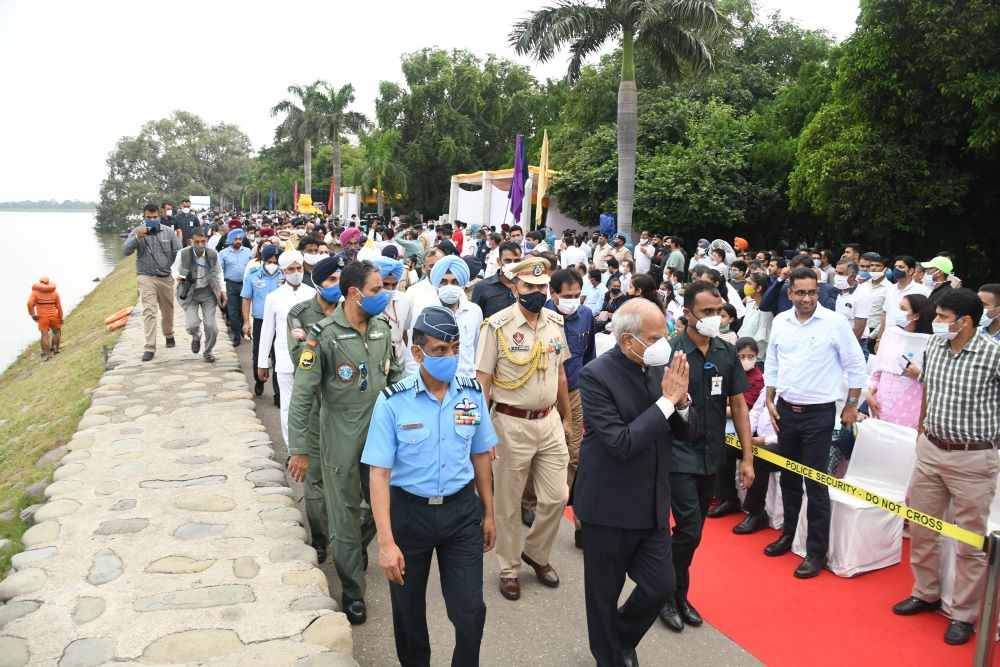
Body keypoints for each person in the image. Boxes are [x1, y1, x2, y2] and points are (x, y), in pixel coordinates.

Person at [363, 306, 497, 667]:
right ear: (417, 352)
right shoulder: (393, 402)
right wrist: (386, 542)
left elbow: (482, 454)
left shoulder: (471, 395)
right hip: (409, 516)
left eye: (454, 348)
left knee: (470, 611)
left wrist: (489, 514)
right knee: (408, 614)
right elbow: (379, 474)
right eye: (440, 350)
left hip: (461, 514)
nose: (450, 357)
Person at [575, 299, 696, 667]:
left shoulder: (655, 368)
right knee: (603, 596)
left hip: (652, 504)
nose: (666, 343)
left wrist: (683, 401)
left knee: (660, 586)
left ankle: (622, 638)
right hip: (608, 507)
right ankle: (609, 657)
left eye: (667, 334)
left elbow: (687, 433)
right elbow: (621, 443)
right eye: (656, 337)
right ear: (628, 341)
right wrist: (667, 401)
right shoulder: (596, 376)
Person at [286, 259, 402, 625]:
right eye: (376, 290)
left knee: (386, 507)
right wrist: (299, 449)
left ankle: (355, 548)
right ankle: (353, 591)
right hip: (340, 437)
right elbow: (303, 396)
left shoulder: (382, 328)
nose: (383, 296)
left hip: (381, 436)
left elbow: (396, 381)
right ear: (354, 293)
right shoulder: (322, 336)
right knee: (346, 514)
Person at [892, 289, 1000, 646]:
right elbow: (930, 392)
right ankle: (926, 592)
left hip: (973, 459)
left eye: (941, 317)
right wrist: (923, 431)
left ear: (964, 322)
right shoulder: (935, 348)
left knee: (969, 543)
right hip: (930, 452)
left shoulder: (993, 355)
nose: (935, 322)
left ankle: (965, 615)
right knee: (922, 529)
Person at [475, 256, 572, 602]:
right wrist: (482, 431)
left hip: (549, 422)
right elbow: (483, 380)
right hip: (510, 422)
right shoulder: (497, 326)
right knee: (509, 502)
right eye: (529, 286)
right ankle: (509, 568)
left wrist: (568, 416)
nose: (536, 292)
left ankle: (536, 553)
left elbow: (560, 372)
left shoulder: (555, 322)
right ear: (515, 286)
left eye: (542, 286)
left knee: (557, 497)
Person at [658, 281, 754, 633]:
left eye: (719, 312)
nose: (715, 318)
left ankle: (678, 593)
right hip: (679, 454)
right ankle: (664, 593)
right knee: (689, 530)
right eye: (707, 313)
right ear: (687, 314)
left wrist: (747, 457)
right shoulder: (671, 351)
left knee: (691, 531)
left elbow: (740, 405)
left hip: (712, 455)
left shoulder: (726, 352)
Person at [762, 268, 867, 578]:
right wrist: (769, 397)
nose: (806, 298)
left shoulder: (834, 324)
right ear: (790, 294)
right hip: (785, 410)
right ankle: (788, 534)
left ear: (818, 293)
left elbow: (856, 366)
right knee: (789, 478)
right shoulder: (781, 321)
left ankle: (815, 551)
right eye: (800, 293)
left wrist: (850, 405)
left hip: (819, 415)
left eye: (812, 293)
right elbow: (773, 361)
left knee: (816, 483)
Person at [285, 254, 346, 563]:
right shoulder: (299, 313)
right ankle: (321, 538)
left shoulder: (352, 310)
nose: (338, 286)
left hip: (345, 406)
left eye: (341, 280)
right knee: (316, 480)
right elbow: (301, 357)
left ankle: (349, 538)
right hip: (314, 408)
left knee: (348, 477)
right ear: (318, 283)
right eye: (332, 280)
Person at [541, 269, 596, 548]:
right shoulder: (540, 315)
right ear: (553, 294)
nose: (573, 301)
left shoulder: (586, 315)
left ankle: (580, 522)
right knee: (539, 454)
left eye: (577, 295)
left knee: (575, 456)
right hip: (544, 394)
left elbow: (589, 356)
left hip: (574, 393)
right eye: (567, 296)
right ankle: (534, 506)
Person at [256, 249, 315, 441]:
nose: (297, 272)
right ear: (283, 271)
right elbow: (267, 331)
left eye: (299, 268)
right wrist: (262, 362)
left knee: (311, 405)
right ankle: (292, 448)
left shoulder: (313, 294)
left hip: (311, 359)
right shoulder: (274, 297)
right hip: (284, 359)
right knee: (288, 405)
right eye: (291, 269)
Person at [122, 203, 182, 361]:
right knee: (149, 311)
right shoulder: (137, 231)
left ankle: (169, 334)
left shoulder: (168, 232)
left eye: (155, 217)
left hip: (165, 277)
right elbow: (125, 251)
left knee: (167, 310)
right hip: (145, 276)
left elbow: (179, 254)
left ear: (160, 215)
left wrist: (178, 273)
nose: (152, 220)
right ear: (144, 217)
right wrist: (137, 238)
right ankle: (150, 346)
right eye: (149, 218)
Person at [866, 294, 934, 430]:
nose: (898, 312)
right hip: (882, 402)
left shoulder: (931, 343)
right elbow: (878, 370)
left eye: (903, 309)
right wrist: (869, 394)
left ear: (916, 316)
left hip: (911, 407)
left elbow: (935, 381)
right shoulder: (891, 334)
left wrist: (919, 374)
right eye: (899, 308)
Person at [408, 255, 482, 377]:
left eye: (455, 282)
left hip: (466, 383)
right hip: (434, 383)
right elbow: (412, 357)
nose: (449, 286)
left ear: (462, 284)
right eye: (444, 282)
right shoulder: (424, 313)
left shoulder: (474, 311)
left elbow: (478, 351)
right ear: (436, 283)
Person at [172, 228, 225, 363]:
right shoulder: (182, 254)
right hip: (190, 293)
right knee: (191, 325)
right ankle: (196, 336)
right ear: (191, 241)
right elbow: (174, 269)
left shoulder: (213, 254)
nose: (200, 245)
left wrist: (223, 291)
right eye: (197, 242)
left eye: (203, 242)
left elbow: (218, 272)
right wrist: (177, 277)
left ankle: (208, 351)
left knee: (211, 326)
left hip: (208, 292)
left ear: (206, 240)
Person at [241, 244, 284, 398]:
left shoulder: (285, 275)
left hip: (280, 321)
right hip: (260, 320)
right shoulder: (253, 274)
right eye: (270, 262)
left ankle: (278, 393)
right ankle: (259, 380)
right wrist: (246, 322)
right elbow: (246, 299)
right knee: (259, 353)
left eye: (276, 262)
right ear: (264, 261)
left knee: (278, 355)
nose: (273, 265)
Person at [877, 255, 931, 345]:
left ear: (910, 271)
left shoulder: (923, 291)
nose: (897, 269)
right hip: (888, 339)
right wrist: (879, 339)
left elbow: (926, 318)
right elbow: (885, 315)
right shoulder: (890, 289)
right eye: (895, 267)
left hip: (910, 340)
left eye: (901, 267)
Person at [471, 241, 521, 318]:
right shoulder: (482, 287)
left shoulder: (526, 285)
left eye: (517, 261)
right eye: (508, 261)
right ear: (499, 261)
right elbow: (475, 318)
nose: (513, 265)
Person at [220, 229, 251, 347]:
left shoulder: (247, 251)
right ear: (230, 240)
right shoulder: (223, 253)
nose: (238, 241)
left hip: (245, 284)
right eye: (235, 239)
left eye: (240, 239)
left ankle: (246, 331)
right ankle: (236, 335)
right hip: (231, 284)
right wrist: (221, 289)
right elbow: (219, 271)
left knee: (244, 310)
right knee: (233, 311)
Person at [833, 259, 871, 347]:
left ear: (853, 276)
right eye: (836, 272)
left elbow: (859, 329)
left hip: (855, 343)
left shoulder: (862, 295)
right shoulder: (839, 291)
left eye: (841, 274)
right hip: (838, 340)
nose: (837, 276)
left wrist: (847, 348)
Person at [27, 276, 63, 361]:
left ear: (40, 283)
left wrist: (33, 314)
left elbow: (29, 304)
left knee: (44, 335)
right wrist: (60, 317)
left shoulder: (35, 293)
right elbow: (59, 307)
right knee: (57, 332)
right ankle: (56, 350)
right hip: (54, 316)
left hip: (42, 317)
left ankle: (49, 355)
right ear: (48, 283)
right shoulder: (55, 293)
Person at [740, 271, 773, 359]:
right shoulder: (750, 304)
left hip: (754, 358)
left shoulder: (766, 312)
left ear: (758, 288)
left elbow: (762, 340)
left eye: (749, 283)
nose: (746, 286)